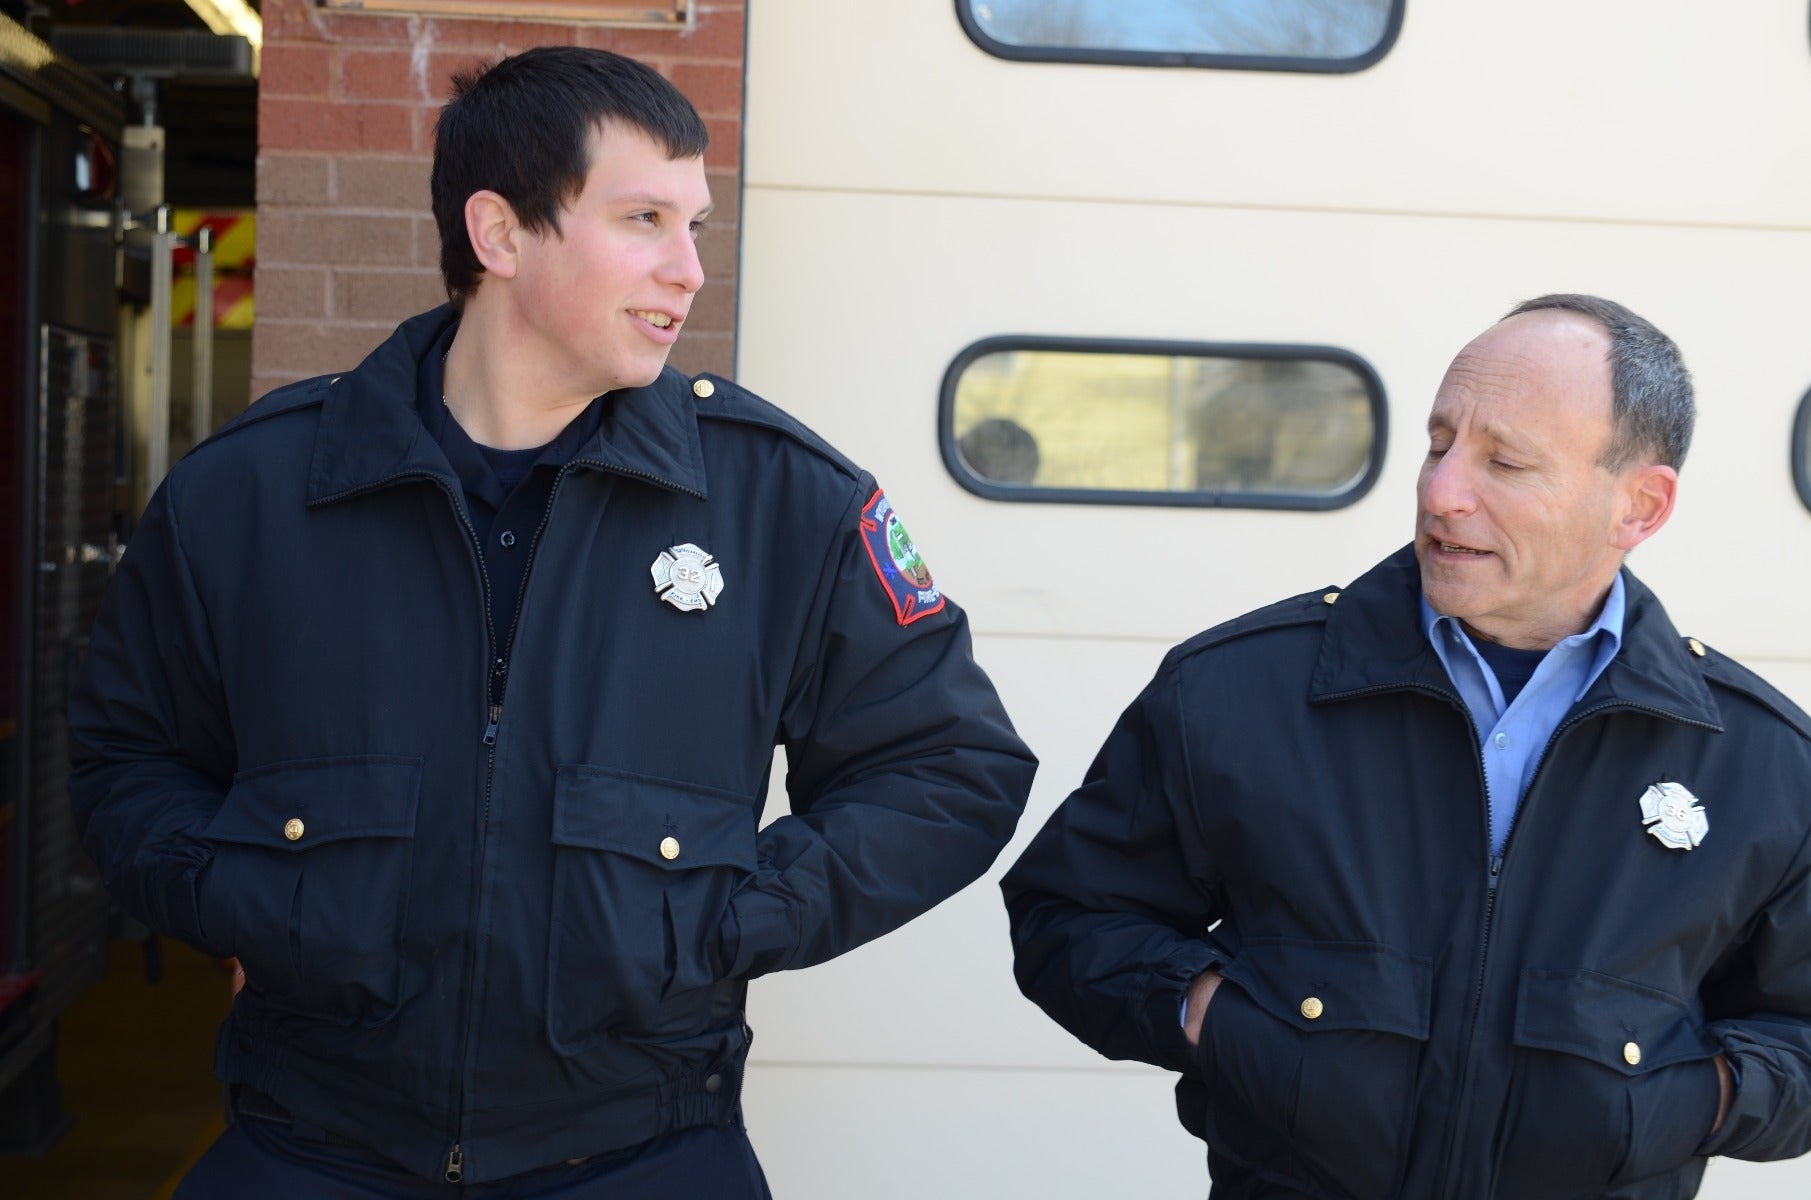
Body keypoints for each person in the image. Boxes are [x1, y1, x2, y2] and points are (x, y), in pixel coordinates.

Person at [69, 46, 1035, 1196]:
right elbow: (125, 758)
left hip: (647, 1148)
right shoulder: (253, 493)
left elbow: (951, 767)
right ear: (500, 233)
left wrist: (722, 924)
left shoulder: (785, 502)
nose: (686, 270)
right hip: (309, 1144)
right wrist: (253, 901)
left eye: (695, 226)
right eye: (642, 219)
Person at [1003, 295, 1811, 1198]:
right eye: (1438, 443)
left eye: (1503, 461)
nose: (1440, 491)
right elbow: (1070, 915)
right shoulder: (1237, 691)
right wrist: (1211, 1017)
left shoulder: (1761, 761)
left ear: (1638, 506)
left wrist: (1702, 1099)